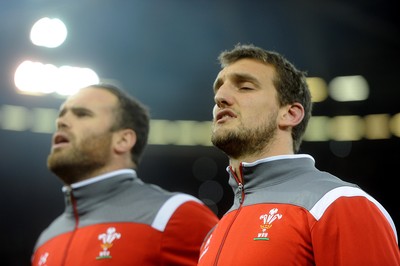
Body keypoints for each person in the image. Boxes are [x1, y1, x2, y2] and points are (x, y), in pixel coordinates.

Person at [197, 43, 400, 265]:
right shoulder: (215, 232)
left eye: (245, 87)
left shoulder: (338, 205)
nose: (220, 97)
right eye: (218, 89)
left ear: (290, 114)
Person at [31, 83, 219, 266]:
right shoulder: (47, 238)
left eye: (82, 114)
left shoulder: (174, 215)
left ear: (123, 140)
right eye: (61, 115)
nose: (61, 122)